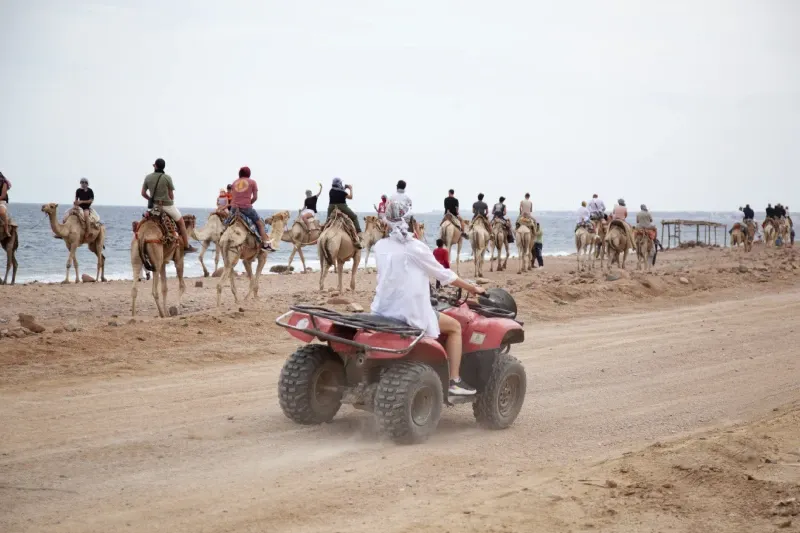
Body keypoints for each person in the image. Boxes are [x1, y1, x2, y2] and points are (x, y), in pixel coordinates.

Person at [370, 199, 486, 396]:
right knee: (455, 327)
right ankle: (454, 381)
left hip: (382, 309)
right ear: (410, 221)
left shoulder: (380, 246)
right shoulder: (415, 247)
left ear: (387, 221)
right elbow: (444, 275)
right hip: (409, 312)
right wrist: (472, 288)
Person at [141, 158, 197, 253]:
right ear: (163, 167)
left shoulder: (148, 177)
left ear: (155, 166)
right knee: (181, 223)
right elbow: (171, 196)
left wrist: (151, 199)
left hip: (154, 207)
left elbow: (143, 193)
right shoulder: (167, 178)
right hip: (167, 206)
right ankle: (186, 246)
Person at [229, 166, 275, 251]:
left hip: (233, 209)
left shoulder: (234, 182)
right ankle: (265, 243)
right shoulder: (252, 182)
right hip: (246, 208)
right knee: (260, 223)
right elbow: (255, 197)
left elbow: (233, 196)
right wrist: (248, 204)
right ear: (249, 174)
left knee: (226, 223)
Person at [327, 177, 363, 247]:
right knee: (354, 217)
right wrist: (350, 189)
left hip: (331, 207)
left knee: (327, 220)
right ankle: (359, 233)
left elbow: (338, 191)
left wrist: (344, 188)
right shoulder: (343, 192)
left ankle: (322, 231)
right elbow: (350, 197)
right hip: (342, 206)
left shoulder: (331, 191)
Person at [0, 171, 10, 235]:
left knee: (2, 212)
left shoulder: (4, 183)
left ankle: (6, 229)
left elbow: (3, 196)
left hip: (1, 201)